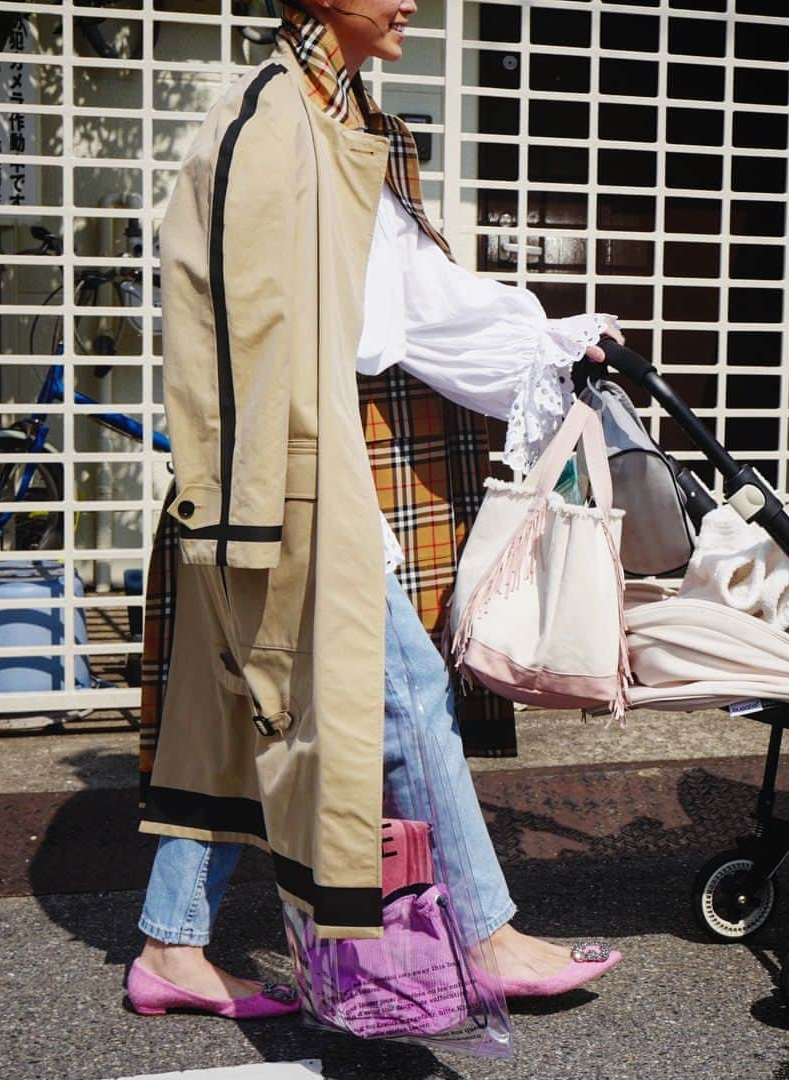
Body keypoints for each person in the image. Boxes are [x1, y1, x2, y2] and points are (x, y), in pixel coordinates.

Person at [128, 0, 625, 1020]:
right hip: (289, 477)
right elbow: (334, 321)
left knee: (236, 702)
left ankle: (171, 947)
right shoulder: (279, 124)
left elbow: (399, 299)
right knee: (398, 695)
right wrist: (537, 339)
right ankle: (484, 932)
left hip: (287, 471)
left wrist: (541, 341)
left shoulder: (334, 115)